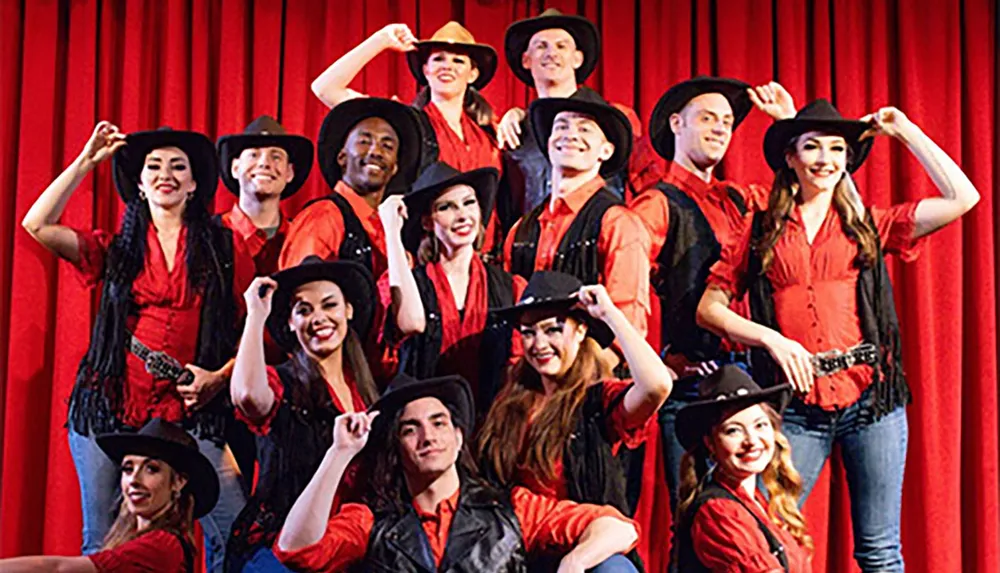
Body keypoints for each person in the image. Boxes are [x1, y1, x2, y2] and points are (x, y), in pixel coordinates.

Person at [697, 100, 981, 571]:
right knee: (768, 541)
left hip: (870, 403)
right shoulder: (762, 230)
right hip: (797, 406)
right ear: (791, 157)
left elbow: (963, 197)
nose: (826, 158)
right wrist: (772, 339)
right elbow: (710, 308)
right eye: (812, 147)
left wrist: (907, 132)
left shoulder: (867, 226)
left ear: (848, 160)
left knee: (880, 550)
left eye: (837, 148)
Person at [21, 123, 254, 571]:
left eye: (177, 166)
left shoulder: (225, 247)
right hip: (108, 407)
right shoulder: (116, 249)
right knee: (104, 537)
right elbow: (37, 225)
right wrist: (86, 163)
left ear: (193, 183)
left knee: (232, 526)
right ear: (141, 184)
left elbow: (255, 328)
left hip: (189, 410)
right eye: (153, 166)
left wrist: (219, 377)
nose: (165, 173)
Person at [274, 372, 641, 572]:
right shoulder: (373, 521)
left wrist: (574, 563)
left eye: (438, 423)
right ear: (396, 448)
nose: (428, 436)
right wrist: (338, 454)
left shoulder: (509, 508)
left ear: (459, 436)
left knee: (615, 569)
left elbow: (618, 527)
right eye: (410, 429)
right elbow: (297, 550)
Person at [628, 77, 796, 509]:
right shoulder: (656, 203)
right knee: (695, 513)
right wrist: (657, 360)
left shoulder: (739, 199)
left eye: (727, 121)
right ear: (676, 124)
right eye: (707, 118)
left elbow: (797, 204)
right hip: (691, 384)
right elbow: (626, 285)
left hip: (750, 380)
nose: (721, 128)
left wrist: (788, 124)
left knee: (749, 513)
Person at [478, 271, 673, 570]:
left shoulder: (597, 400)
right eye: (529, 332)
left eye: (552, 330)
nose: (538, 343)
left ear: (581, 331)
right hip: (522, 545)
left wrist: (609, 315)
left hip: (589, 545)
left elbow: (657, 385)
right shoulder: (508, 402)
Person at [226, 256, 379, 571]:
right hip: (282, 552)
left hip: (345, 548)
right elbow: (247, 396)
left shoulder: (365, 390)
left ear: (348, 310)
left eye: (329, 305)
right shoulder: (283, 382)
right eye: (304, 310)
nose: (319, 318)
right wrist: (255, 316)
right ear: (291, 324)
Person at [311, 21, 506, 258]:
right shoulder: (406, 125)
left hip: (485, 262)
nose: (448, 66)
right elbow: (324, 88)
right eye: (439, 59)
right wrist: (381, 39)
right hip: (425, 257)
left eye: (458, 60)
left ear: (472, 73)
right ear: (425, 69)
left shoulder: (492, 131)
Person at [379, 161, 527, 421]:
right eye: (446, 207)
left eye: (469, 203)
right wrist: (392, 231)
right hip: (427, 425)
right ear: (427, 221)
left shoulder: (511, 287)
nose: (462, 215)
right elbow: (411, 323)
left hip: (492, 426)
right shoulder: (409, 282)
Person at [503, 95, 651, 345]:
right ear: (549, 142)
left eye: (585, 129)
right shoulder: (520, 231)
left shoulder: (619, 224)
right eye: (561, 126)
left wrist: (582, 376)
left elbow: (627, 326)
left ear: (606, 150)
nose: (570, 135)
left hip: (594, 374)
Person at [216, 114, 314, 490]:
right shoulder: (210, 236)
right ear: (235, 166)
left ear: (290, 173)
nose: (265, 163)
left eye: (276, 156)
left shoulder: (303, 238)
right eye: (253, 154)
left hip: (288, 397)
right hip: (217, 401)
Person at [0, 418, 221, 573]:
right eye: (127, 469)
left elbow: (57, 569)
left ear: (179, 482)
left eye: (151, 469)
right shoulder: (134, 539)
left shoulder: (162, 546)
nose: (134, 480)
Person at [496, 9, 660, 214]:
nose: (551, 53)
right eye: (541, 46)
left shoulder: (615, 119)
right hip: (534, 240)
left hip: (599, 237)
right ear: (526, 60)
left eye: (561, 46)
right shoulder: (514, 130)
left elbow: (648, 187)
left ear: (577, 59)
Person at [673, 366, 811, 573]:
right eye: (733, 430)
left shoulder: (756, 503)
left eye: (760, 425)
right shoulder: (718, 511)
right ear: (710, 443)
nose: (752, 441)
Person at [278, 97, 422, 280]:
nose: (376, 152)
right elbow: (300, 293)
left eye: (387, 146)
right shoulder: (323, 217)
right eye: (364, 141)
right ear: (342, 157)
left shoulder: (392, 226)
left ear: (394, 167)